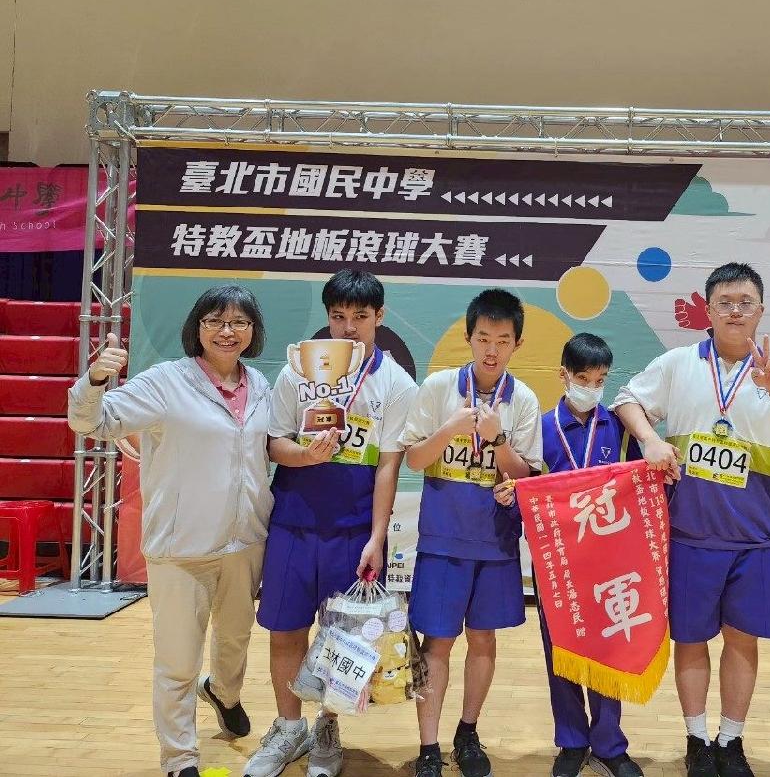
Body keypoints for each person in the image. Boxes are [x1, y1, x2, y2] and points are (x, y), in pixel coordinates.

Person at [614, 262, 770, 777]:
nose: (735, 311)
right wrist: (651, 439)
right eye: (725, 303)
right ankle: (696, 739)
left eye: (745, 303)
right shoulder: (678, 364)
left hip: (756, 537)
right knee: (689, 639)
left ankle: (730, 741)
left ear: (761, 311)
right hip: (690, 533)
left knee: (742, 638)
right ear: (707, 310)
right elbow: (626, 399)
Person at [67, 285, 273, 777]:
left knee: (235, 641)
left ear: (253, 331)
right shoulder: (166, 382)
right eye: (214, 321)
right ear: (197, 328)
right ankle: (180, 757)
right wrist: (95, 379)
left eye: (238, 322)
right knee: (178, 661)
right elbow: (92, 422)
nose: (227, 331)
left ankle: (222, 694)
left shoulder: (261, 385)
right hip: (181, 549)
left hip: (245, 542)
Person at [243, 269, 417, 777]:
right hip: (294, 521)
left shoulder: (396, 383)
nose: (349, 328)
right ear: (327, 317)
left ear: (380, 317)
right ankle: (287, 727)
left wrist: (377, 537)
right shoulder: (296, 371)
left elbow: (389, 466)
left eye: (361, 316)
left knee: (342, 638)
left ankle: (327, 726)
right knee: (286, 629)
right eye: (339, 316)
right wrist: (305, 456)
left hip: (353, 529)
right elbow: (274, 443)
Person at [400, 288, 543, 777]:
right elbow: (414, 459)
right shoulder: (439, 387)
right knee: (437, 642)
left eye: (502, 341)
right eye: (483, 338)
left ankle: (468, 731)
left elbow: (525, 475)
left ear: (517, 343)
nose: (491, 350)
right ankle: (428, 747)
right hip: (442, 539)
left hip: (496, 540)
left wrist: (497, 440)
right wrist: (450, 430)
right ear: (468, 337)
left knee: (483, 640)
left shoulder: (524, 399)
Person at [517, 332, 644, 777]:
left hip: (608, 562)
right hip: (557, 565)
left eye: (600, 379)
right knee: (563, 652)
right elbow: (527, 488)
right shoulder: (540, 428)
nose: (592, 387)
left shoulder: (619, 427)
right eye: (583, 378)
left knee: (608, 649)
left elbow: (639, 486)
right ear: (564, 375)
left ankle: (609, 744)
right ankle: (572, 741)